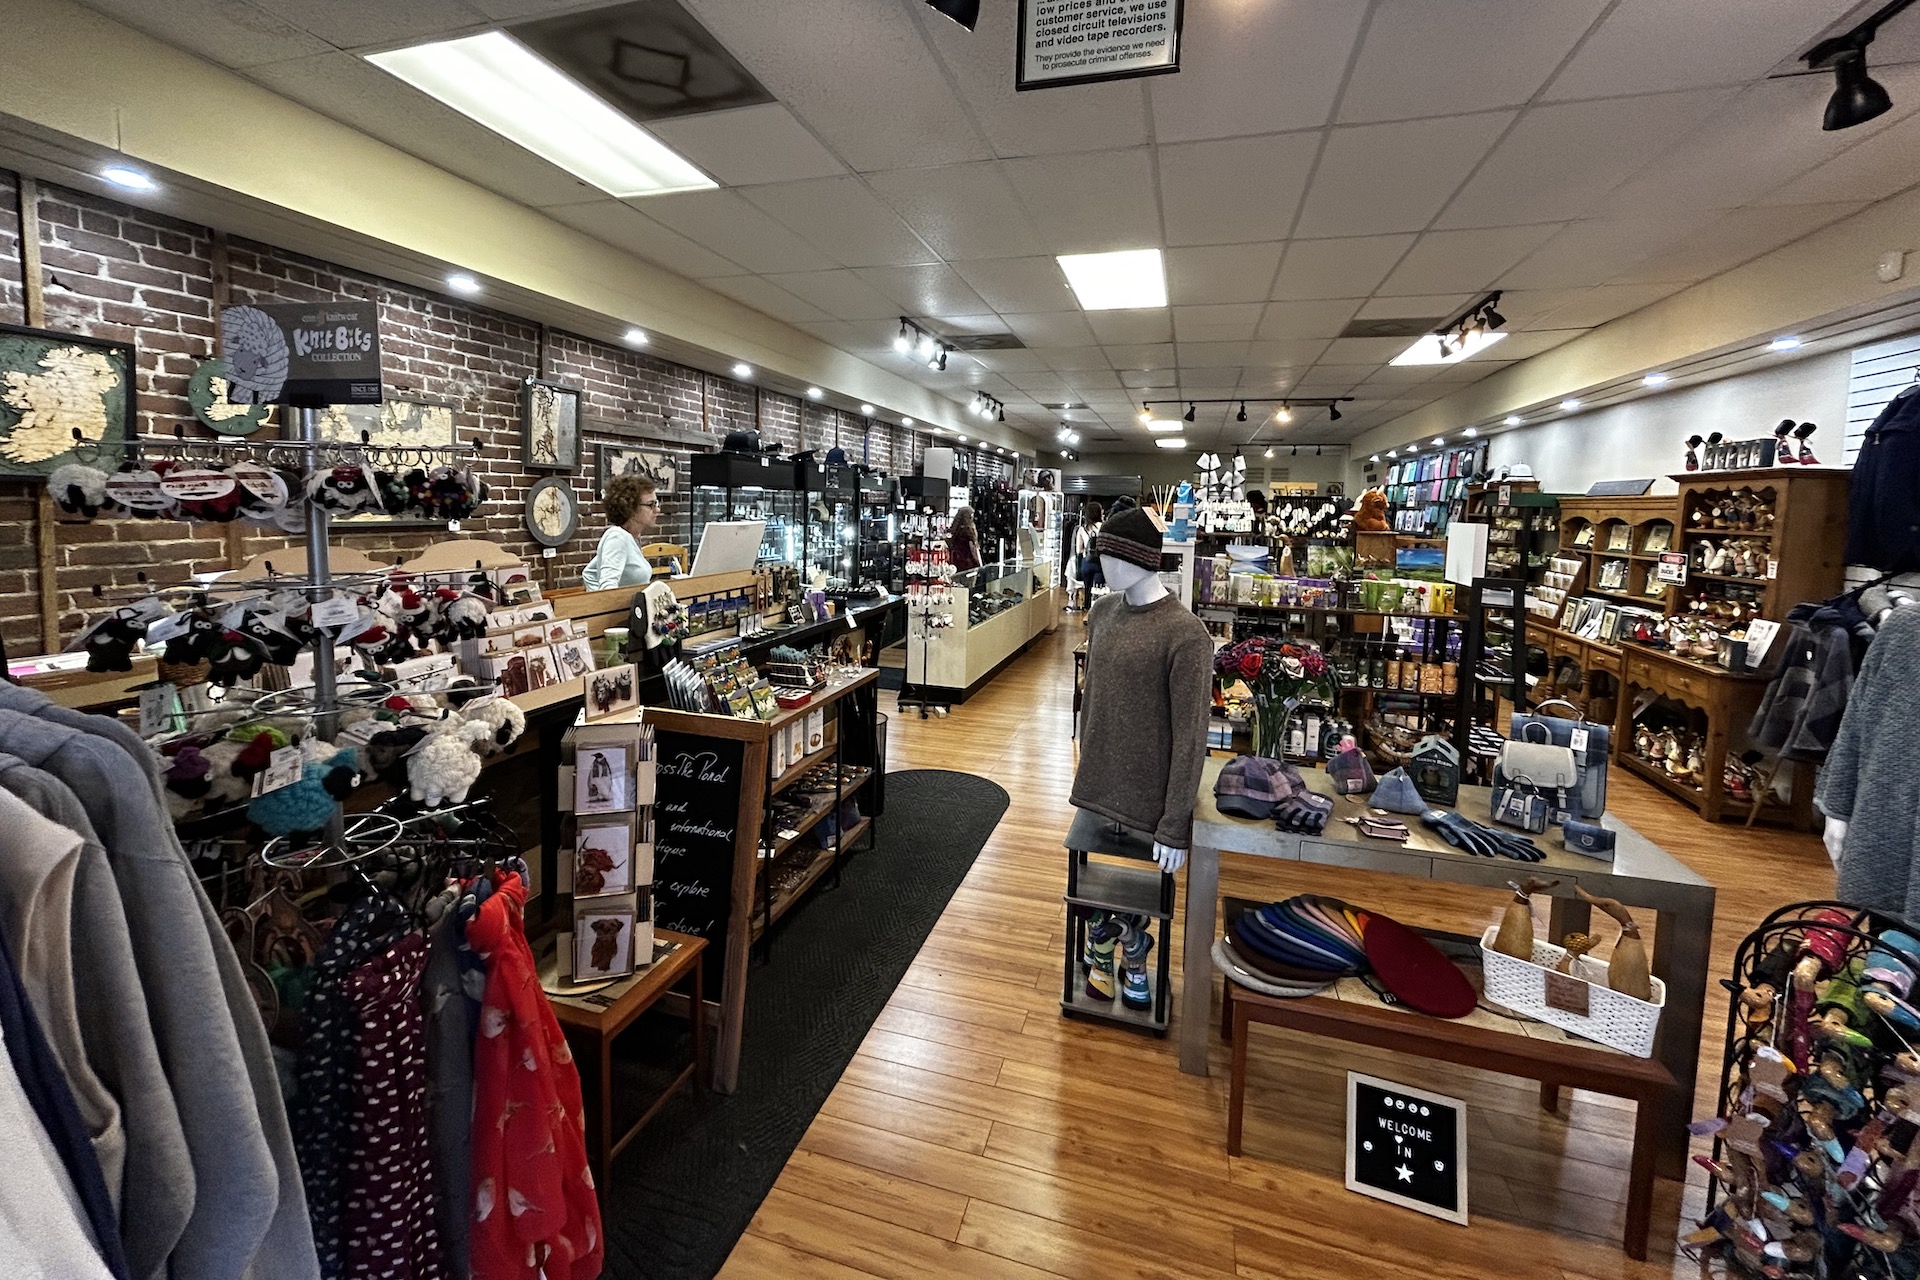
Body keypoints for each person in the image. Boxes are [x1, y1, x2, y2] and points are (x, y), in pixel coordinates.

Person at [582, 474, 661, 590]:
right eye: (650, 505)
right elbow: (607, 588)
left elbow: (589, 573)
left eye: (656, 503)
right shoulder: (617, 537)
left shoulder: (630, 538)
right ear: (630, 508)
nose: (657, 509)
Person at [949, 506, 982, 573]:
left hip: (956, 561)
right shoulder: (969, 531)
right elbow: (973, 549)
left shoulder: (955, 530)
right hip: (969, 562)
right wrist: (980, 563)